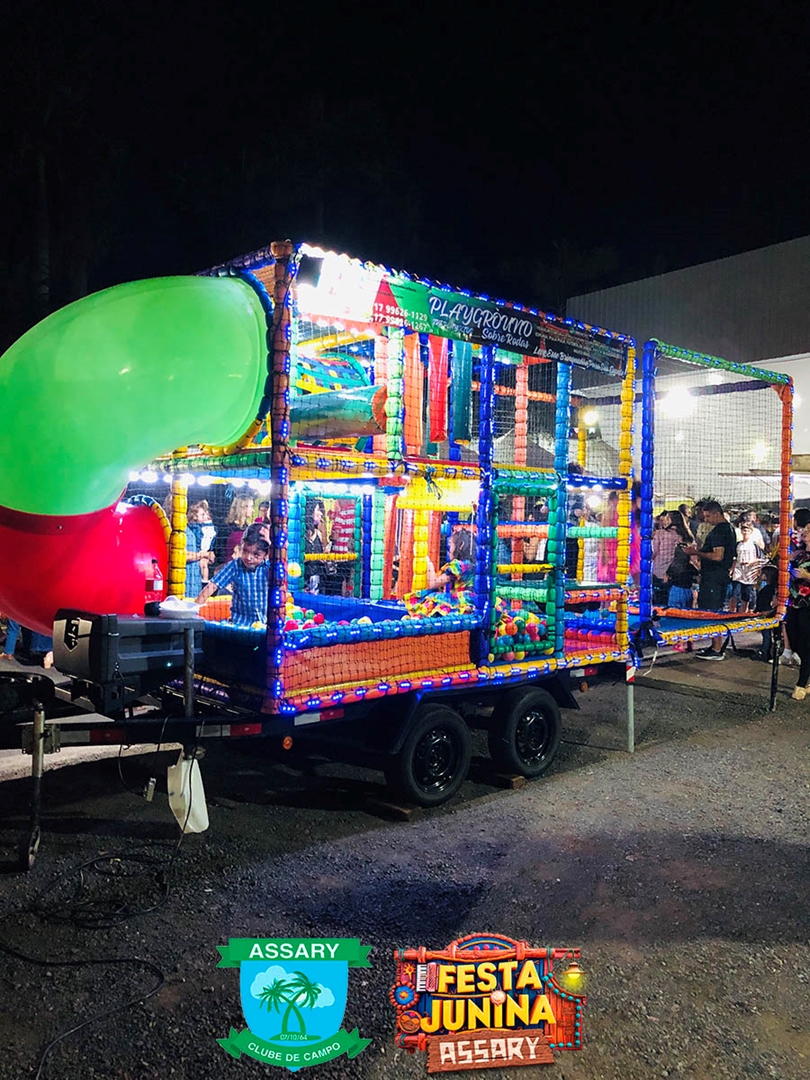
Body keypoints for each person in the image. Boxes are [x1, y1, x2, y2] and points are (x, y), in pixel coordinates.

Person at [681, 500, 736, 659]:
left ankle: (717, 649)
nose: (705, 519)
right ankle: (714, 645)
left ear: (717, 514)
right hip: (718, 575)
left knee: (712, 611)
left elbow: (718, 556)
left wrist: (695, 553)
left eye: (708, 516)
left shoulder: (720, 530)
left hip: (714, 576)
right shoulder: (728, 529)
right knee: (713, 609)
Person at [196, 523, 270, 625]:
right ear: (242, 545)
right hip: (240, 625)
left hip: (265, 625)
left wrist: (270, 543)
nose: (248, 557)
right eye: (245, 551)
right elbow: (211, 586)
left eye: (256, 555)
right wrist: (193, 612)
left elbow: (282, 565)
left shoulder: (269, 567)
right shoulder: (235, 566)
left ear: (266, 555)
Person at [404, 527, 477, 617]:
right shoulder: (474, 564)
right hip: (473, 601)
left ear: (461, 546)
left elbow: (433, 583)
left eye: (450, 546)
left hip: (461, 601)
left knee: (432, 596)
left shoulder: (459, 566)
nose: (448, 550)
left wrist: (427, 561)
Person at [785, 520, 810, 699]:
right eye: (806, 529)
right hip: (794, 602)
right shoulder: (799, 554)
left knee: (806, 643)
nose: (805, 532)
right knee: (794, 641)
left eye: (809, 530)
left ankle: (801, 684)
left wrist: (807, 575)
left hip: (808, 605)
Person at [661, 510, 698, 609]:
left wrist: (668, 573)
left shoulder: (663, 534)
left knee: (670, 610)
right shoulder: (689, 537)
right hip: (687, 585)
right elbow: (694, 560)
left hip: (671, 579)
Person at [728, 521, 767, 614]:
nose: (745, 532)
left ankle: (743, 613)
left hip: (749, 572)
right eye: (744, 530)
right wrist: (732, 569)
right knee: (735, 593)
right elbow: (735, 558)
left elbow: (760, 558)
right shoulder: (738, 544)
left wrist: (751, 563)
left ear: (751, 531)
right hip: (738, 571)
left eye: (747, 530)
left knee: (746, 594)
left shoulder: (754, 545)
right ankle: (731, 611)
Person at [185, 500, 216, 598]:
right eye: (202, 514)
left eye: (205, 514)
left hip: (196, 580)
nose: (205, 517)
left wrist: (209, 555)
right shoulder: (188, 531)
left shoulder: (205, 529)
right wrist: (203, 554)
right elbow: (183, 556)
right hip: (187, 577)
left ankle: (204, 582)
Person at [652, 511, 683, 605]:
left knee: (658, 602)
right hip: (674, 573)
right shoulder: (683, 535)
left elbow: (653, 552)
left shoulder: (660, 533)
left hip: (658, 571)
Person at [755, 563, 778, 661]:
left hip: (766, 614)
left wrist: (760, 612)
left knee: (766, 633)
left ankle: (765, 652)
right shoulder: (773, 588)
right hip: (772, 613)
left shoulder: (767, 589)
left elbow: (764, 603)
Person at [304, 500, 327, 594]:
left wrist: (323, 557)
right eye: (318, 510)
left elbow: (323, 555)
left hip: (317, 579)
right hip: (303, 579)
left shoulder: (319, 534)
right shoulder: (300, 535)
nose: (320, 513)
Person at [225, 494, 257, 561]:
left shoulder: (249, 528)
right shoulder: (228, 528)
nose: (253, 510)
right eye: (251, 507)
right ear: (243, 507)